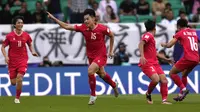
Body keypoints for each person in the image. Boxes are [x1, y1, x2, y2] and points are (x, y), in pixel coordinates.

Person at [46, 9, 119, 105]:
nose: (85, 21)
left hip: (101, 55)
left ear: (93, 18)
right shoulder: (83, 28)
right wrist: (53, 18)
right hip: (91, 56)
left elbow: (112, 36)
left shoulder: (102, 28)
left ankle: (93, 95)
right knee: (102, 74)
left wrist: (111, 51)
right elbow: (67, 26)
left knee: (90, 71)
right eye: (84, 19)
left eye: (87, 19)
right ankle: (114, 85)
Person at [1, 16, 38, 103]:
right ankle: (11, 75)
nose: (21, 24)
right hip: (12, 61)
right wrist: (6, 56)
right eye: (18, 22)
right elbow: (2, 47)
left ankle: (17, 98)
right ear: (15, 24)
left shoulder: (26, 35)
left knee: (20, 78)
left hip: (23, 60)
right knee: (13, 82)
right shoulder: (10, 36)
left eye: (21, 22)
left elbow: (29, 44)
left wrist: (32, 51)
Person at [161, 19, 199, 101]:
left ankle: (183, 90)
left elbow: (169, 45)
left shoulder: (180, 33)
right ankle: (181, 95)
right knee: (184, 74)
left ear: (178, 26)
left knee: (172, 73)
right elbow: (196, 42)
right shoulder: (193, 32)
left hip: (188, 58)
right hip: (196, 59)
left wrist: (164, 44)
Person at [138, 19, 172, 104]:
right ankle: (148, 93)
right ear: (155, 28)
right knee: (156, 79)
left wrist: (166, 59)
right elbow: (141, 43)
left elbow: (154, 53)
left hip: (155, 63)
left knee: (164, 80)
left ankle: (164, 100)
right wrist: (142, 56)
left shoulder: (151, 38)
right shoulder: (148, 35)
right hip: (147, 63)